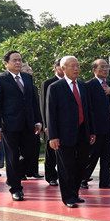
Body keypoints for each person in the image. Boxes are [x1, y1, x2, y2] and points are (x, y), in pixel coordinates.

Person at [0, 50, 43, 201]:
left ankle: (13, 176)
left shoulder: (27, 77)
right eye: (15, 60)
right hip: (9, 125)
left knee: (30, 154)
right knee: (12, 156)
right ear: (6, 63)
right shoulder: (0, 79)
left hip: (28, 124)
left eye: (20, 60)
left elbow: (33, 101)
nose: (18, 63)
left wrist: (38, 120)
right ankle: (16, 188)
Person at [46, 56, 95, 208]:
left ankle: (75, 193)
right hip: (63, 134)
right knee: (66, 166)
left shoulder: (82, 85)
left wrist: (92, 131)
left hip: (82, 132)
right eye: (72, 66)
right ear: (63, 68)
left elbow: (88, 110)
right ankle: (68, 197)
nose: (76, 69)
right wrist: (53, 136)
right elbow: (51, 114)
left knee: (81, 164)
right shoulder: (54, 87)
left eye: (78, 65)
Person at [81, 59, 110, 189]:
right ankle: (83, 178)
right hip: (96, 127)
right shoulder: (89, 86)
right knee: (92, 155)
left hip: (109, 126)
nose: (105, 69)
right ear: (94, 70)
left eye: (107, 67)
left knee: (107, 155)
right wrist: (91, 129)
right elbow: (87, 109)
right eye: (102, 67)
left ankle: (105, 180)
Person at [40, 58, 63, 186]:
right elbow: (44, 105)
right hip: (51, 123)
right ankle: (51, 176)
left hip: (65, 124)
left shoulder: (72, 83)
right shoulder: (48, 83)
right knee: (51, 153)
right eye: (61, 66)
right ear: (55, 67)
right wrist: (46, 124)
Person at [21, 63, 44, 180]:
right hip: (19, 123)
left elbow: (36, 105)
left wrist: (38, 121)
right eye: (26, 70)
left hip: (32, 121)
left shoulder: (33, 87)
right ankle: (22, 172)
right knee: (22, 150)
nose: (29, 72)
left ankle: (33, 170)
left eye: (30, 70)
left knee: (35, 146)